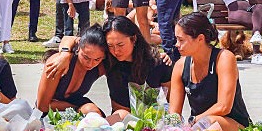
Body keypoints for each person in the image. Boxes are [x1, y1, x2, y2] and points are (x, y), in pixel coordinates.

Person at [44, 16, 172, 119]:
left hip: (155, 120)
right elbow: (75, 39)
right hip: (119, 120)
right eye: (110, 45)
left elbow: (171, 103)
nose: (115, 50)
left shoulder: (158, 63)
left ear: (133, 39)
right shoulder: (108, 62)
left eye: (120, 44)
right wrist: (65, 54)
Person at [168, 12, 250, 131]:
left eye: (181, 40)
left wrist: (193, 120)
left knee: (210, 122)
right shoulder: (180, 66)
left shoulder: (224, 58)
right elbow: (174, 114)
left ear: (200, 38)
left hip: (232, 124)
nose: (177, 45)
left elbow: (223, 107)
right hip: (199, 127)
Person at [37, 25, 108, 115]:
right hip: (49, 112)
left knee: (93, 113)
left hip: (77, 105)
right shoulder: (58, 63)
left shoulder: (100, 67)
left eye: (97, 59)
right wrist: (75, 108)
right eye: (86, 57)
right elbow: (42, 106)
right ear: (78, 48)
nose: (90, 64)